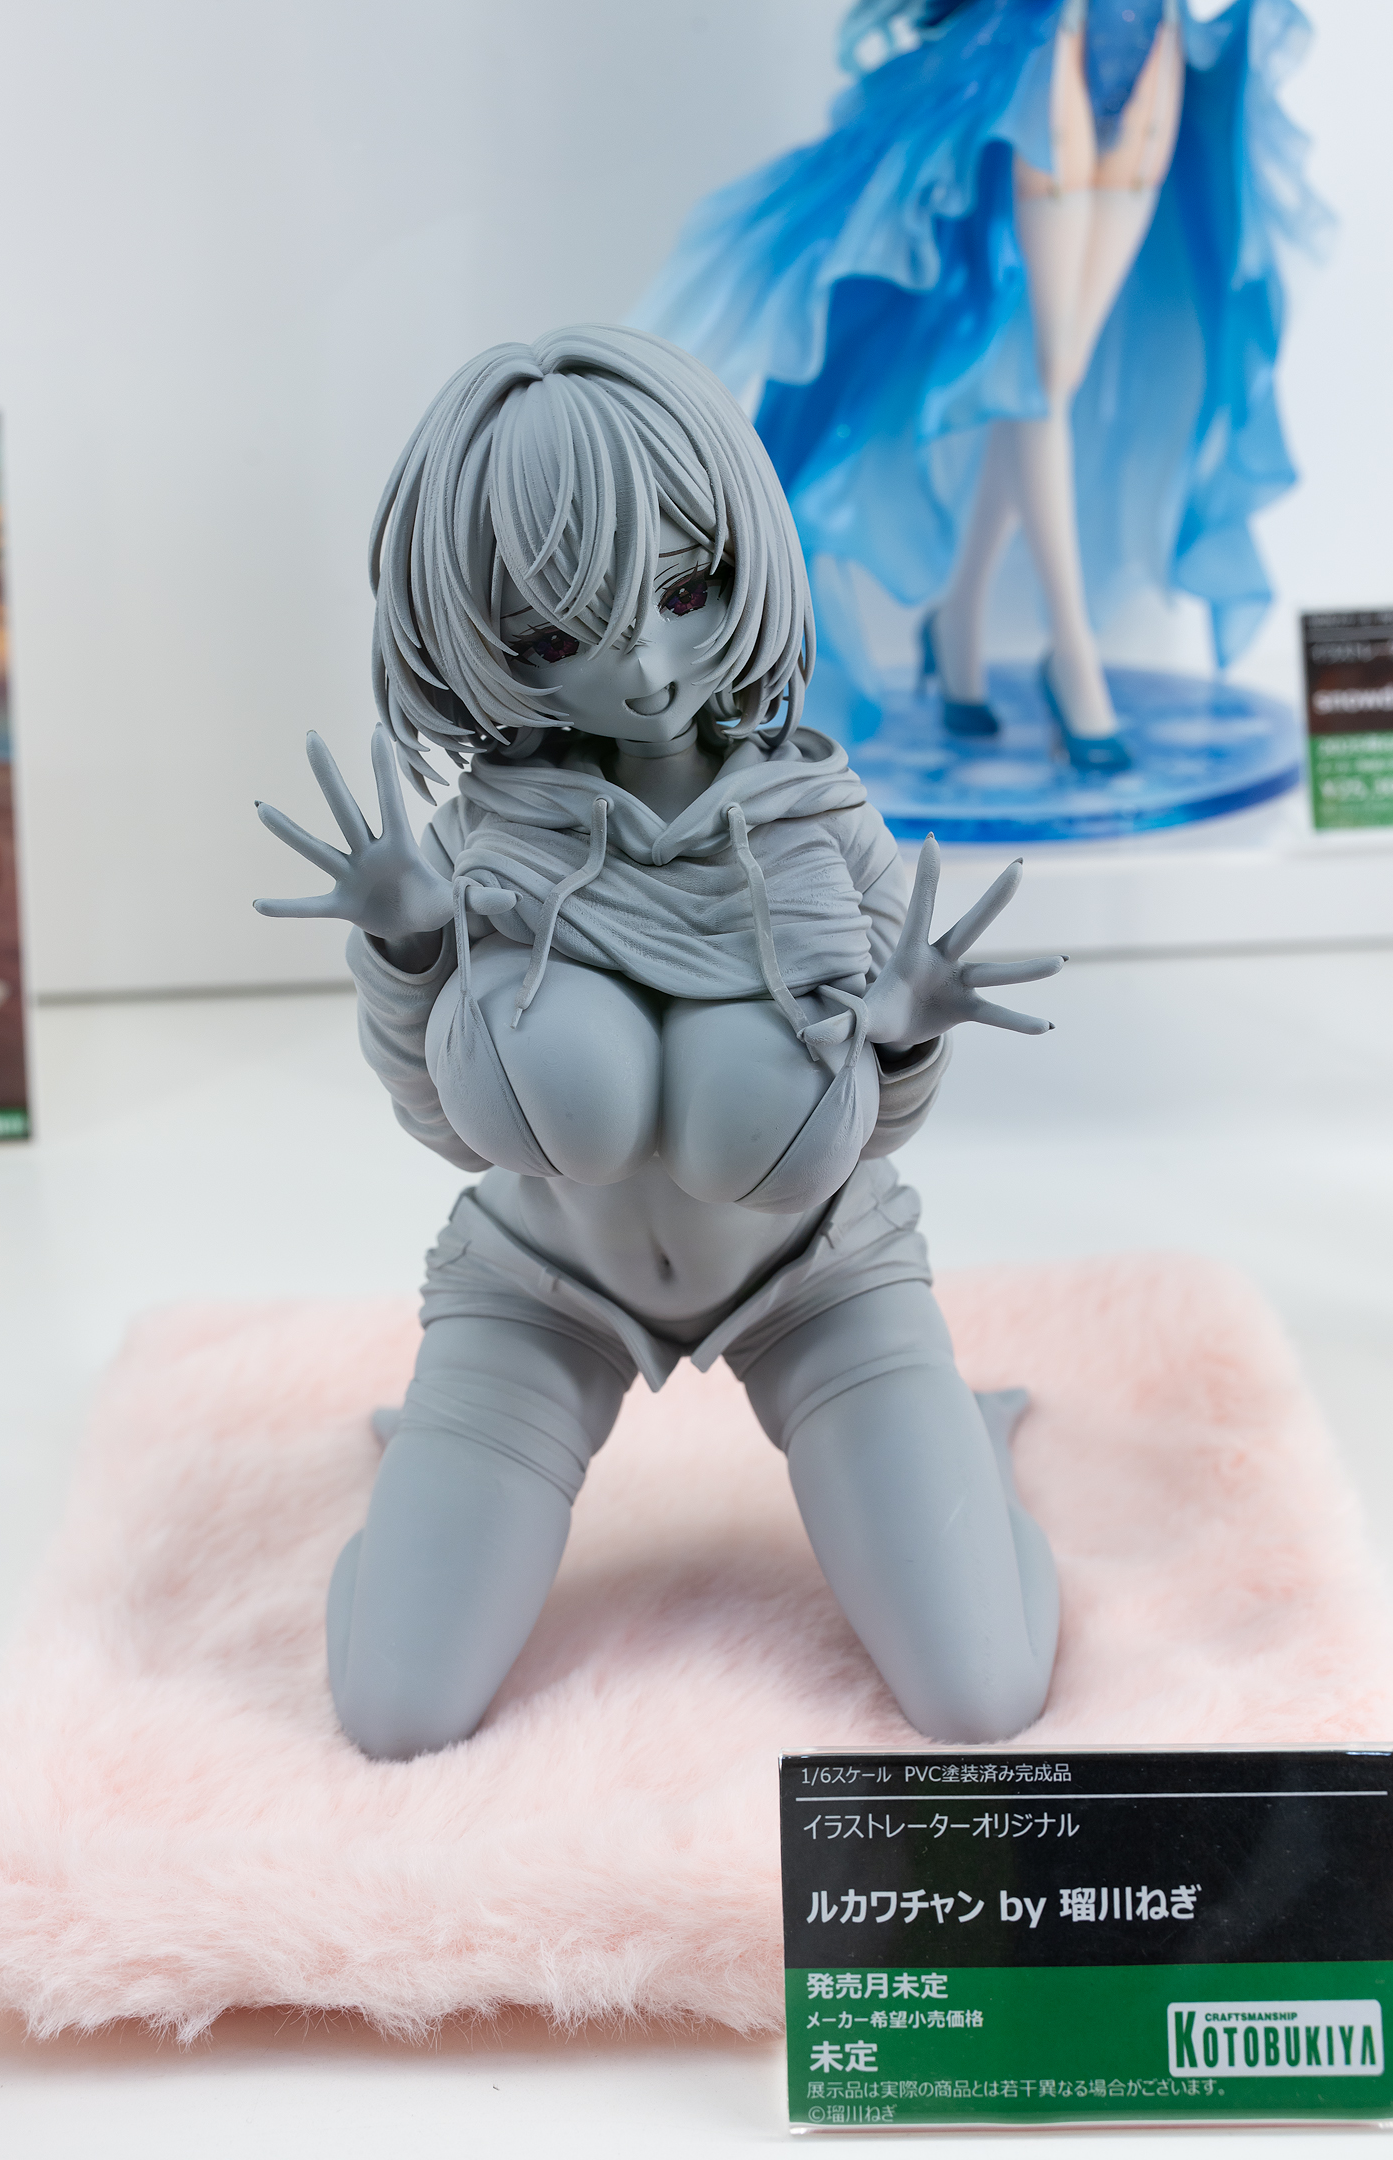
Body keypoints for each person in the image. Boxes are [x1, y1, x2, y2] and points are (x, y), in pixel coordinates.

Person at [254, 326, 1063, 1760]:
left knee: (982, 1699)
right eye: (554, 638)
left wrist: (902, 1037)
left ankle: (967, 1439)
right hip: (540, 1288)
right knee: (395, 1715)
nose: (640, 665)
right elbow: (446, 1125)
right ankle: (421, 1468)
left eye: (685, 592)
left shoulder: (822, 825)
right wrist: (407, 948)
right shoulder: (487, 834)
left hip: (821, 1280)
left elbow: (864, 1127)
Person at [635, 0, 1327, 768]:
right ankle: (1071, 652)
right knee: (1045, 376)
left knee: (1049, 380)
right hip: (1049, 44)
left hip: (1154, 43)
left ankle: (958, 616)